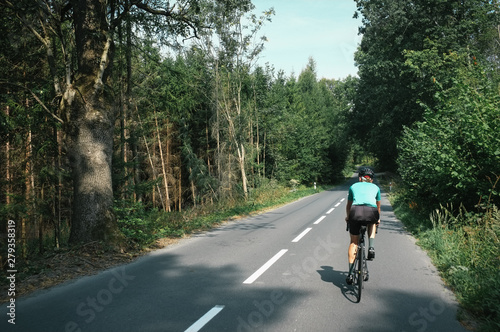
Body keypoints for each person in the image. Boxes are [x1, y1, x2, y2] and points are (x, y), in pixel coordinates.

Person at [345, 167, 381, 285]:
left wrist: (348, 217)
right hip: (371, 211)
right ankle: (371, 247)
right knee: (373, 222)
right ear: (371, 179)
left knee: (353, 242)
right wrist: (378, 219)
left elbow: (349, 206)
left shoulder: (353, 186)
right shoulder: (376, 188)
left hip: (355, 212)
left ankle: (350, 274)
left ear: (359, 177)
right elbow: (378, 207)